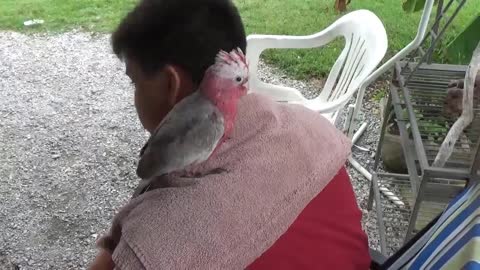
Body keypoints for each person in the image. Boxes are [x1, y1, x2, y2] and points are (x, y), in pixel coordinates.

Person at [89, 0, 371, 269]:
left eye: (134, 81)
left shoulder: (151, 243)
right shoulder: (313, 128)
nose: (135, 95)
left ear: (170, 84)